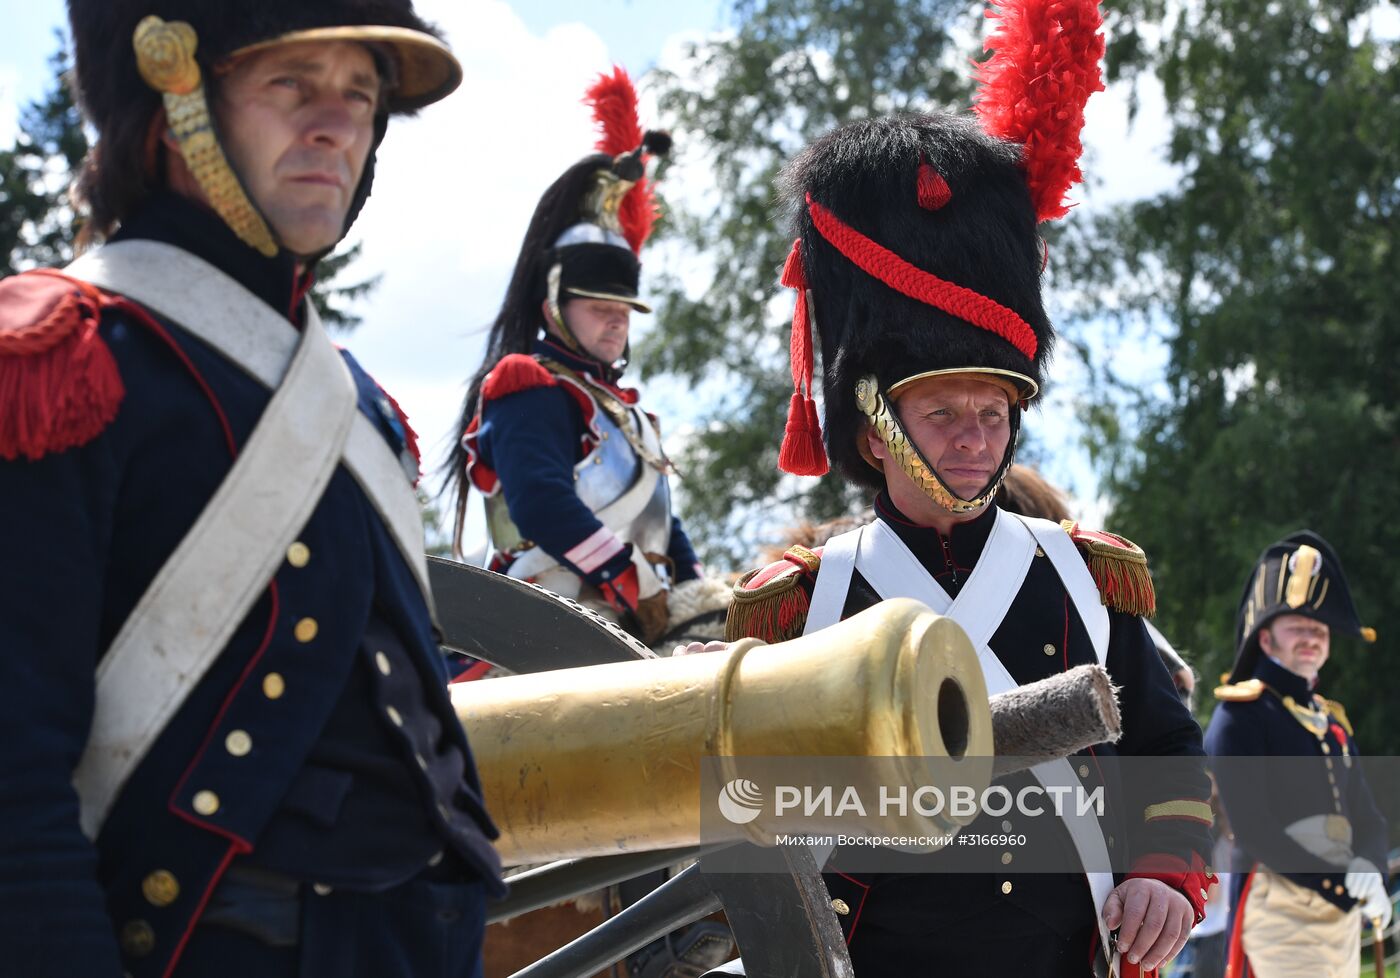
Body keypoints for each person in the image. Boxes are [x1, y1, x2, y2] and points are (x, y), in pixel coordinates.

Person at [0, 3, 503, 976]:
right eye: (290, 84)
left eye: (359, 93)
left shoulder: (357, 407)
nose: (337, 124)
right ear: (177, 93)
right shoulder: (64, 366)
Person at [721, 1, 1215, 973]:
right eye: (942, 413)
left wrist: (1163, 868)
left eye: (991, 413)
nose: (973, 438)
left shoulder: (1086, 576)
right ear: (875, 422)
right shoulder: (799, 601)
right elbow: (738, 806)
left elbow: (1166, 750)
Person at [448, 68, 702, 647]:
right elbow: (540, 503)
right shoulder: (526, 383)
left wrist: (699, 597)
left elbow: (662, 527)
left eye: (625, 306)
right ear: (555, 307)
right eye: (597, 305)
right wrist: (626, 573)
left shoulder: (627, 414)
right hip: (538, 622)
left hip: (632, 622)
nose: (617, 318)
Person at [1204, 531, 1390, 978]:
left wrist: (1372, 868)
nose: (1312, 636)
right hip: (1280, 904)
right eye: (1298, 626)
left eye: (1320, 628)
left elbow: (1368, 817)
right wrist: (1341, 882)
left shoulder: (1333, 722)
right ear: (1265, 640)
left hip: (1339, 909)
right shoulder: (1240, 714)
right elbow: (1255, 830)